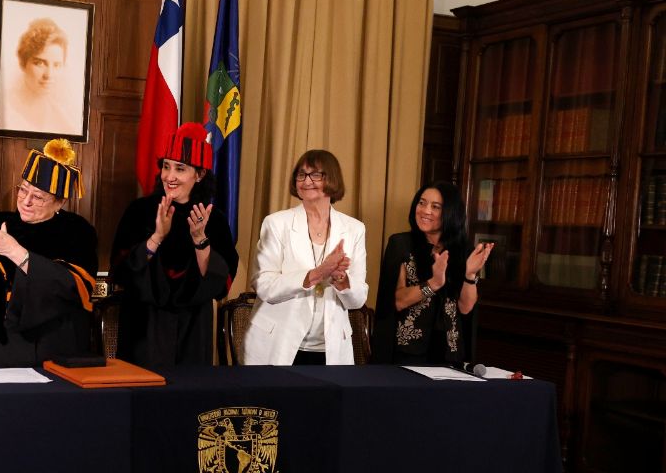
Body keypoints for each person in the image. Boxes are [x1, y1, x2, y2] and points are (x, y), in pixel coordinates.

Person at [0, 139, 98, 367]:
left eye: (38, 196)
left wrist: (14, 251)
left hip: (53, 347)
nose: (25, 201)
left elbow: (72, 288)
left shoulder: (78, 231)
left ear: (60, 202)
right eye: (23, 190)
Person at [111, 122, 239, 367]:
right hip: (142, 325)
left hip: (193, 328)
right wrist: (157, 237)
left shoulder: (214, 219)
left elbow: (219, 284)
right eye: (166, 167)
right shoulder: (139, 211)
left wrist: (200, 239)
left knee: (187, 400)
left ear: (199, 174)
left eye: (180, 169)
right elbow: (122, 272)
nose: (170, 176)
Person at [243, 150, 369, 365]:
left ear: (332, 179)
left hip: (330, 350)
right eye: (301, 175)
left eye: (315, 175)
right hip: (278, 345)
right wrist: (316, 274)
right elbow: (264, 285)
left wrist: (341, 279)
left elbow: (358, 299)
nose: (306, 181)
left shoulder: (354, 229)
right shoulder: (276, 224)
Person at [371, 181, 494, 365]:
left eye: (435, 207)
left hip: (449, 353)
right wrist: (433, 284)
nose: (425, 211)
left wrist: (469, 275)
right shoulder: (401, 244)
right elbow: (397, 300)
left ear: (451, 213)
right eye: (422, 203)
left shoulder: (464, 250)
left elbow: (466, 307)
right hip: (407, 352)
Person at [0, 18, 75, 134]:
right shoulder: (4, 108)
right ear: (23, 63)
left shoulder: (63, 122)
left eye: (57, 65)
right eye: (40, 63)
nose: (49, 75)